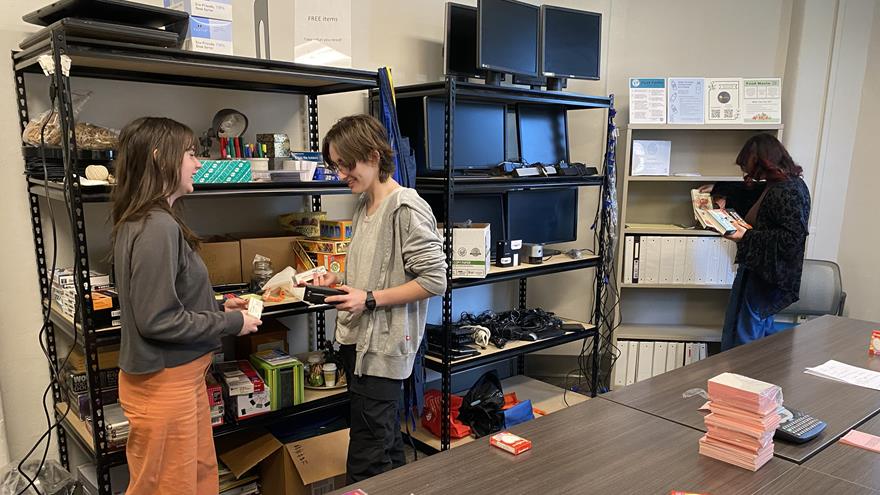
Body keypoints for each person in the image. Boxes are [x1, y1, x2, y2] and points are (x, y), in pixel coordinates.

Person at [111, 117, 262, 494]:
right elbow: (158, 320)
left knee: (196, 478)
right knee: (171, 487)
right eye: (191, 154)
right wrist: (231, 324)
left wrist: (218, 307)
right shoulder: (156, 226)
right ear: (162, 158)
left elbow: (168, 298)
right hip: (164, 384)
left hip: (180, 379)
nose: (198, 163)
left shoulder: (148, 220)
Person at [312, 114, 446, 482]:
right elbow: (374, 269)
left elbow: (435, 280)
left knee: (366, 463)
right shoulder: (364, 205)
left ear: (373, 156)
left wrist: (369, 299)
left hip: (383, 351)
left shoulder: (406, 208)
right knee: (384, 447)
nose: (341, 175)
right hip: (358, 346)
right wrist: (336, 278)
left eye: (345, 164)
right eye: (335, 166)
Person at [711, 134, 811, 351]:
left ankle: (740, 381)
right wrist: (719, 190)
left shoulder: (789, 191)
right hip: (759, 271)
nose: (746, 173)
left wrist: (745, 237)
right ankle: (739, 378)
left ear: (761, 160)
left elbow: (791, 239)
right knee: (744, 330)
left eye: (747, 165)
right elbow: (752, 194)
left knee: (745, 337)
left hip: (766, 276)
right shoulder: (778, 185)